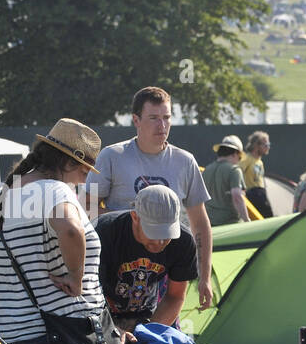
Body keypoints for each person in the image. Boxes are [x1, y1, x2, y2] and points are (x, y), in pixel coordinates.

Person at [0, 119, 106, 344]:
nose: (83, 181)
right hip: (62, 335)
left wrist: (6, 275)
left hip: (15, 336)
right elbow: (71, 230)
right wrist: (75, 276)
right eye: (83, 171)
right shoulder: (55, 190)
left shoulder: (1, 197)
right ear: (68, 162)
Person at [91, 86, 214, 311]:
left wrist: (205, 276)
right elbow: (83, 209)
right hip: (116, 268)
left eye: (167, 117)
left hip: (165, 271)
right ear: (136, 120)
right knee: (114, 340)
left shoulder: (185, 161)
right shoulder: (112, 156)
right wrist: (130, 219)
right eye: (154, 118)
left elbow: (200, 223)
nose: (162, 125)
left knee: (160, 337)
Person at [96, 184, 198, 333]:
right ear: (135, 217)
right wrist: (112, 331)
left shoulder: (184, 241)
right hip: (101, 312)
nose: (160, 242)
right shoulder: (104, 231)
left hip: (147, 313)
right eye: (154, 232)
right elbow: (86, 292)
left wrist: (147, 334)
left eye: (166, 234)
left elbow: (175, 296)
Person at [203, 135, 250, 227]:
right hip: (230, 223)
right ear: (235, 154)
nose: (239, 160)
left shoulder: (206, 170)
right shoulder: (234, 170)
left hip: (209, 224)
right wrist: (247, 220)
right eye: (239, 157)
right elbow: (237, 196)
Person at [240, 131, 273, 217]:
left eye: (268, 145)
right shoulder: (246, 159)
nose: (268, 147)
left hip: (261, 193)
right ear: (256, 145)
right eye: (265, 145)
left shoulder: (260, 162)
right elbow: (237, 172)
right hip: (252, 194)